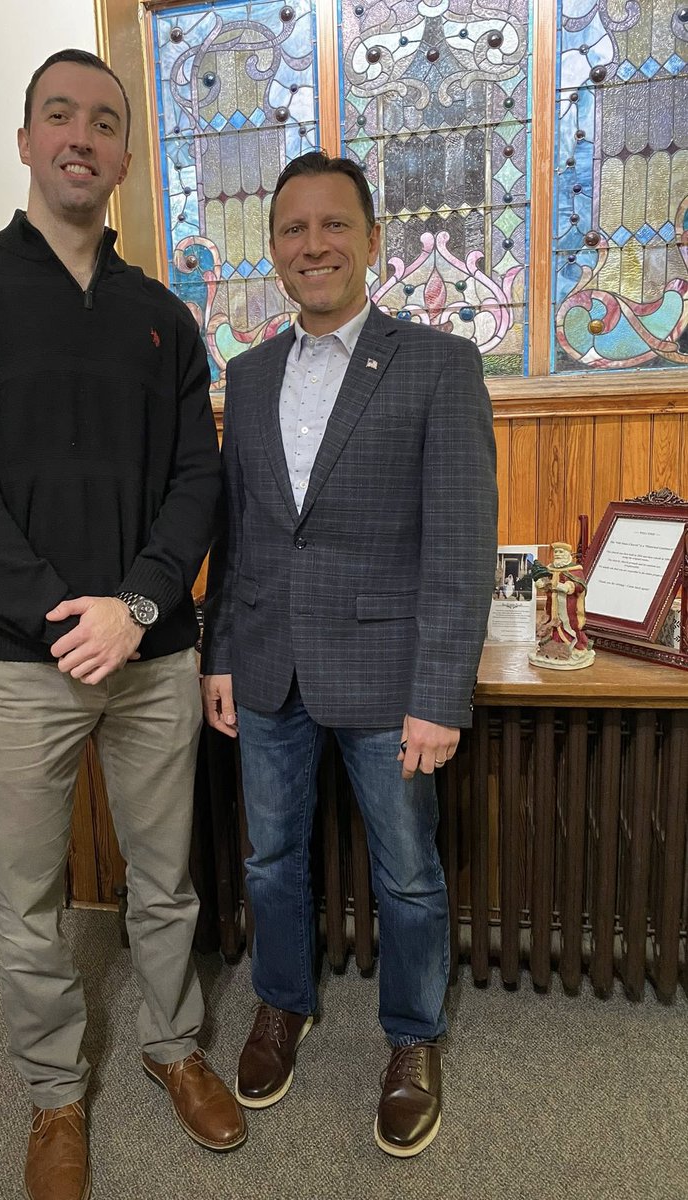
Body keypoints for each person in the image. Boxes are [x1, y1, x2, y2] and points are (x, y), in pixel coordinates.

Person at [0, 48, 245, 1200]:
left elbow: (198, 476)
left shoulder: (161, 316)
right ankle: (54, 1095)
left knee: (164, 878)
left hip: (152, 656)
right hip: (16, 662)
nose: (81, 136)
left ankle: (172, 1048)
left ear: (128, 155)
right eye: (60, 116)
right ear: (28, 139)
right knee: (28, 896)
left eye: (104, 120)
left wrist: (136, 606)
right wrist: (61, 617)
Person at [201, 151, 497, 1158]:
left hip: (388, 680)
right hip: (270, 665)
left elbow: (459, 540)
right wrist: (220, 656)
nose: (313, 244)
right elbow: (240, 535)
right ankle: (283, 1003)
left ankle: (413, 1036)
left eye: (334, 226)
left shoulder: (438, 365)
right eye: (293, 229)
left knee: (408, 874)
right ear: (274, 249)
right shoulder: (247, 375)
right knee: (272, 861)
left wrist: (440, 694)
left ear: (374, 241)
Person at [529, 541, 595, 668]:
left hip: (568, 607)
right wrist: (541, 584)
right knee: (552, 626)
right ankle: (553, 645)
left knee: (570, 626)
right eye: (556, 552)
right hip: (552, 606)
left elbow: (580, 585)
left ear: (568, 554)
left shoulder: (575, 570)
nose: (558, 554)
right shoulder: (550, 568)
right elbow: (546, 583)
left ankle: (575, 646)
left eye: (561, 552)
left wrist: (568, 586)